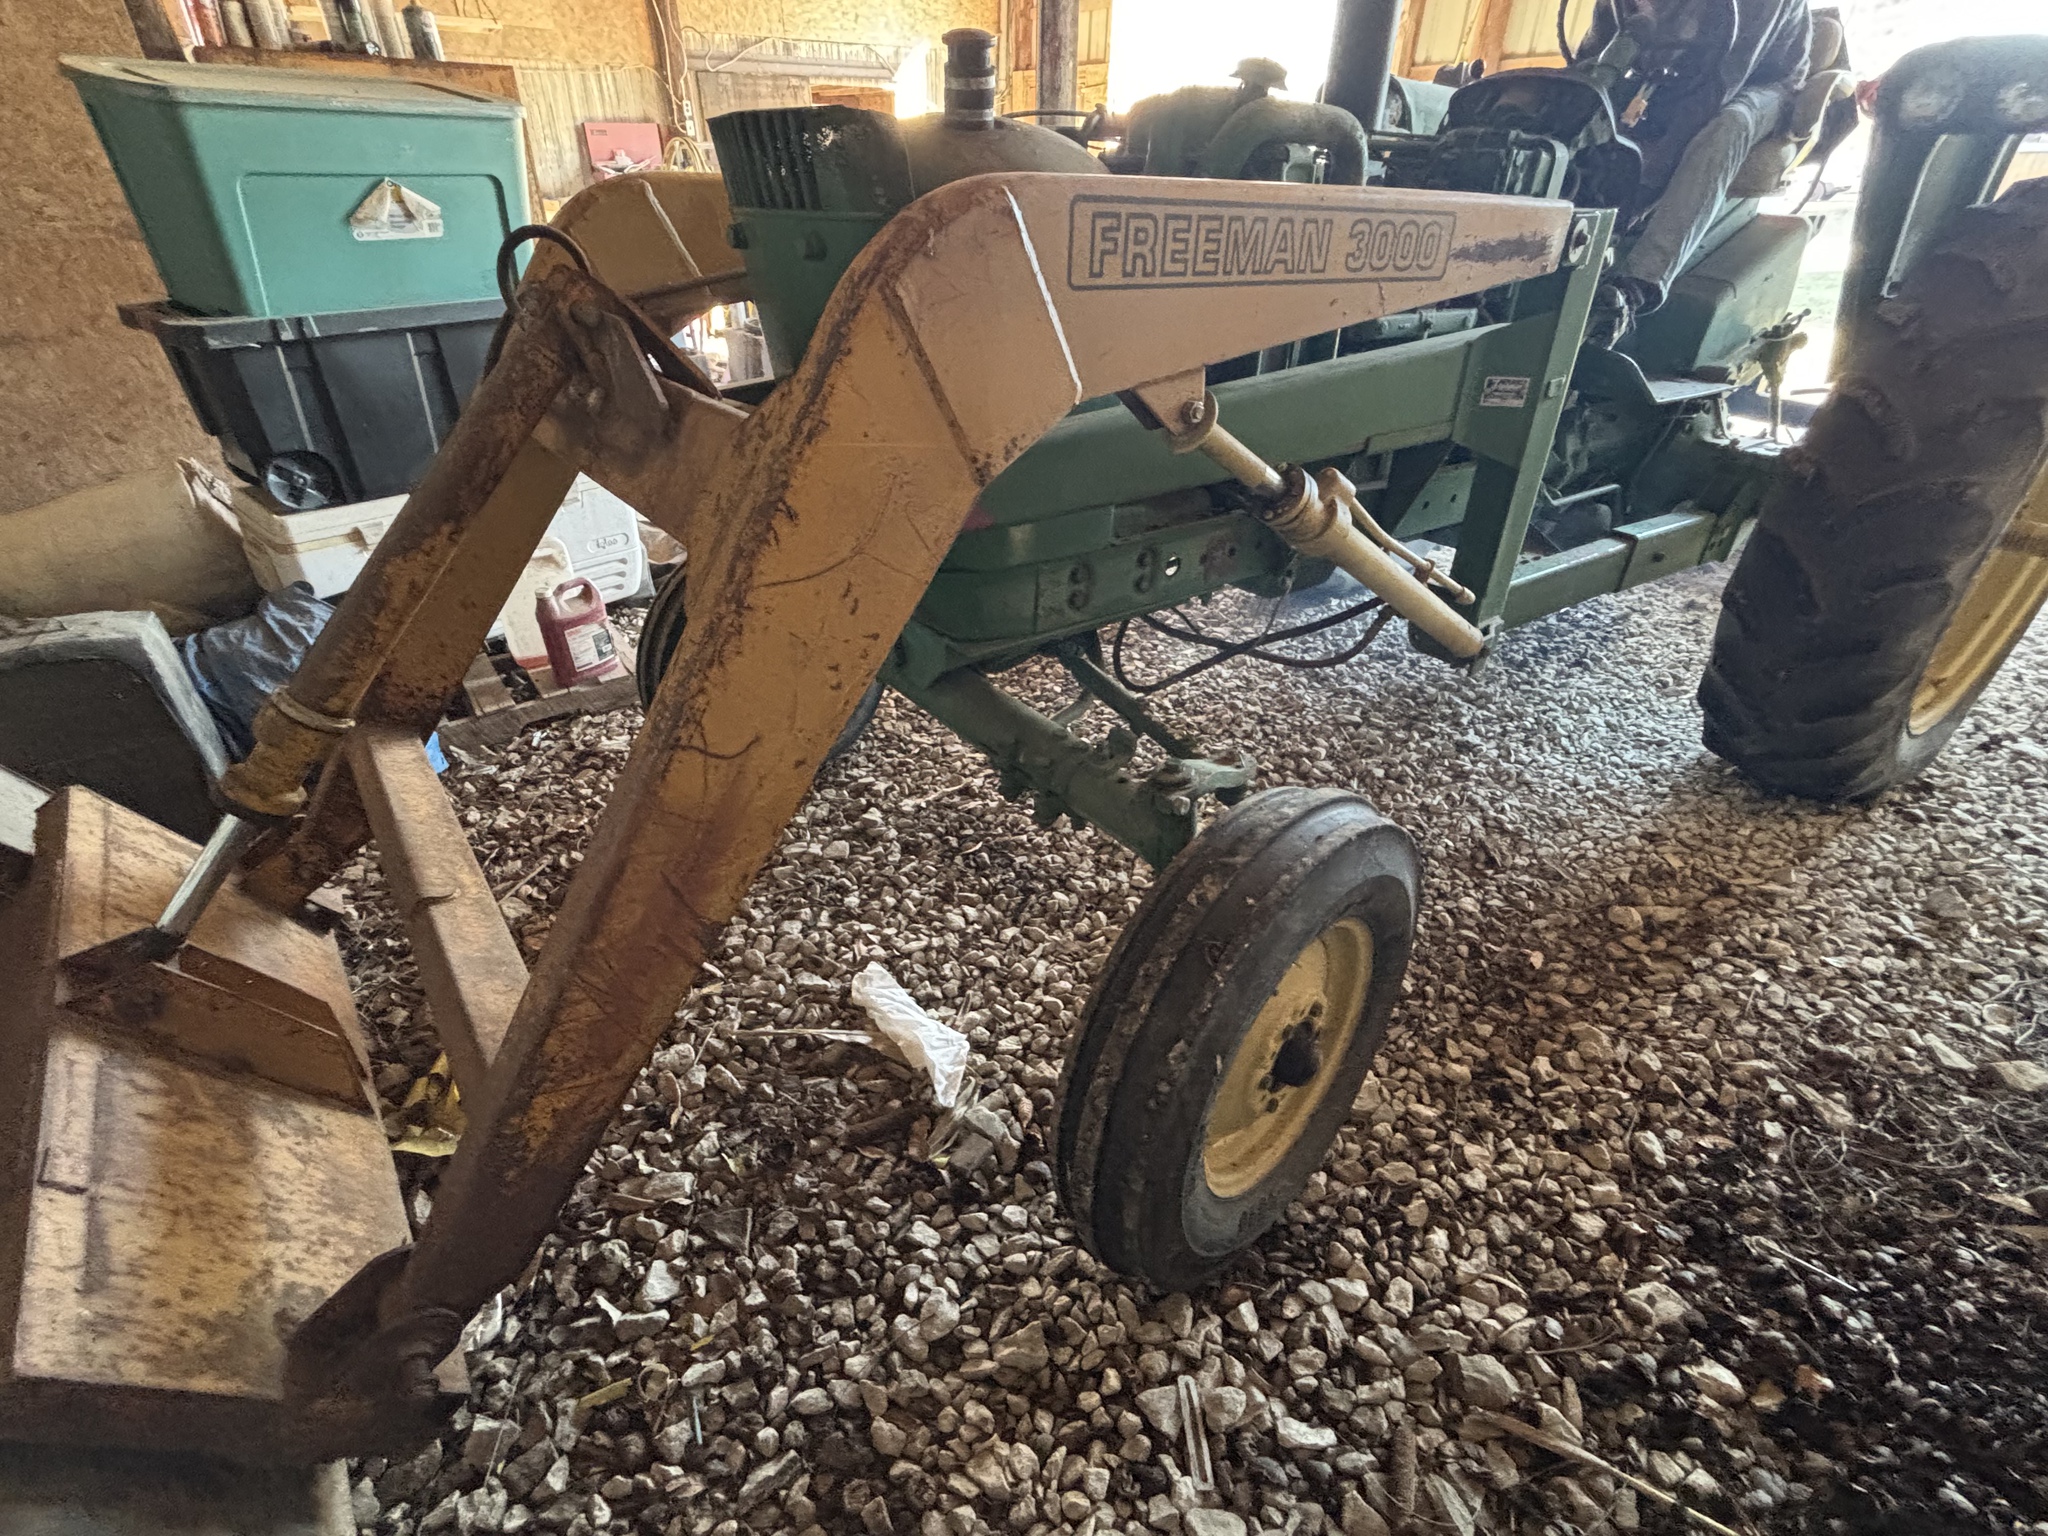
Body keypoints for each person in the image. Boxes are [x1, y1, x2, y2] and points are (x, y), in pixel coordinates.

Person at [1582, 0, 1813, 344]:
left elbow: (1723, 82)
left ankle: (1636, 287)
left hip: (1759, 82)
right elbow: (1592, 58)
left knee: (1726, 128)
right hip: (1669, 79)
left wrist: (1644, 188)